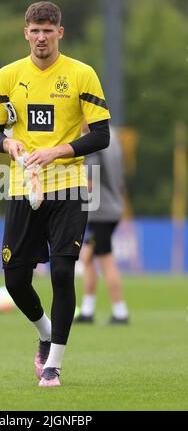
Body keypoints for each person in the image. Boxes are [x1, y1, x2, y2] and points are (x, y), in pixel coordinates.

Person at [0, 1, 110, 387]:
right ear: (25, 33)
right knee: (15, 281)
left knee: (61, 271)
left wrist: (58, 151)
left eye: (48, 30)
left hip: (69, 186)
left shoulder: (81, 74)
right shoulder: (8, 76)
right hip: (23, 187)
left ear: (60, 32)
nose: (41, 37)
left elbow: (102, 135)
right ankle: (44, 332)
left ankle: (53, 365)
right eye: (34, 30)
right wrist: (8, 146)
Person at [75, 126, 129, 324]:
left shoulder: (93, 142)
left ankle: (120, 311)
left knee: (105, 260)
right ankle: (87, 310)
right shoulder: (113, 138)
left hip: (101, 211)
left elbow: (89, 181)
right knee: (87, 258)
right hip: (112, 207)